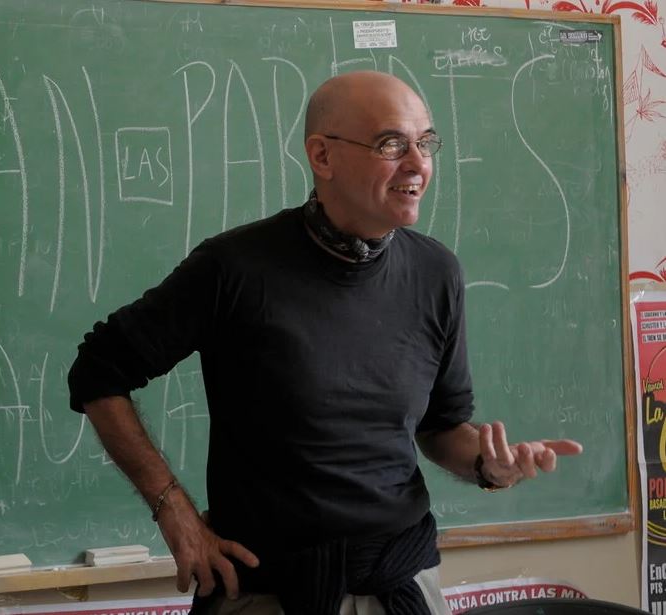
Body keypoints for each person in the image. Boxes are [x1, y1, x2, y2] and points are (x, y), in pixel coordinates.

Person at [66, 71, 583, 615]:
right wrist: (175, 513)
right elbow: (100, 369)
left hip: (401, 581)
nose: (418, 164)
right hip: (268, 591)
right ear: (322, 156)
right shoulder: (234, 268)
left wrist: (488, 465)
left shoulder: (436, 272)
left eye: (426, 143)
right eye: (392, 144)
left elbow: (440, 428)